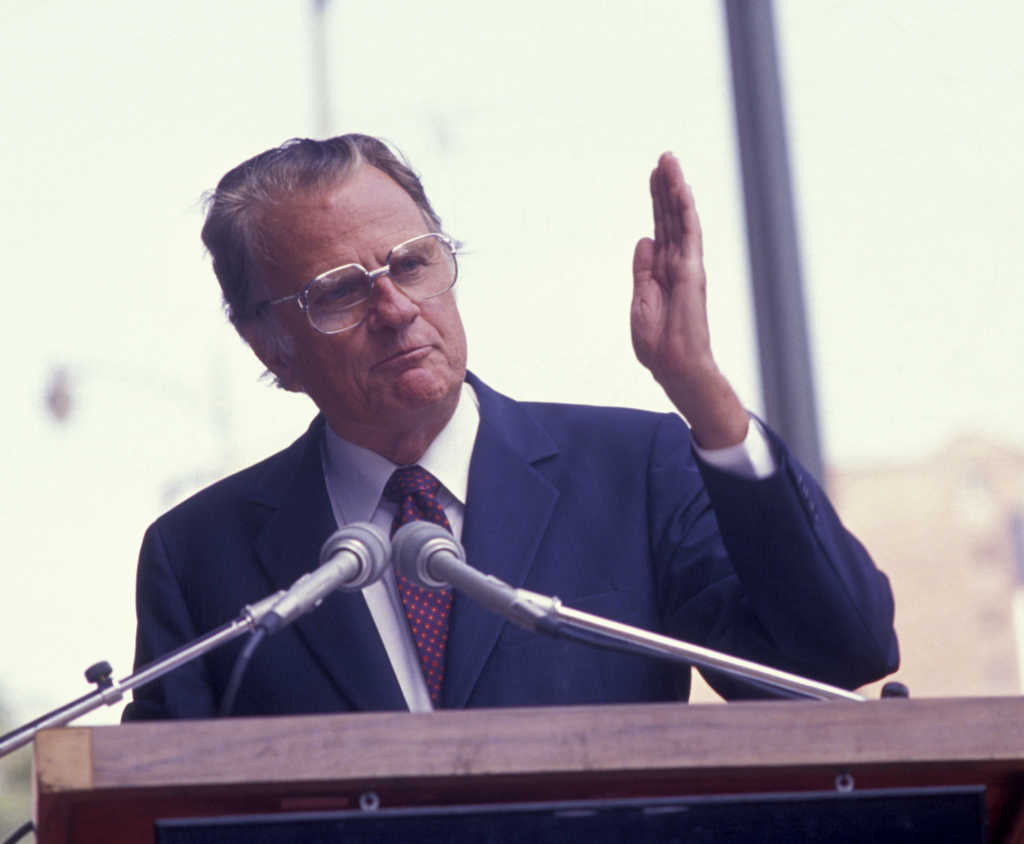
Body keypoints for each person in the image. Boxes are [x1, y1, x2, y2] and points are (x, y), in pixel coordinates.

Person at [123, 134, 898, 720]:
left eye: (411, 263)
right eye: (339, 292)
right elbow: (151, 809)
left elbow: (835, 662)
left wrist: (704, 394)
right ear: (270, 346)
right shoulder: (198, 557)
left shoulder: (634, 473)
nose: (396, 310)